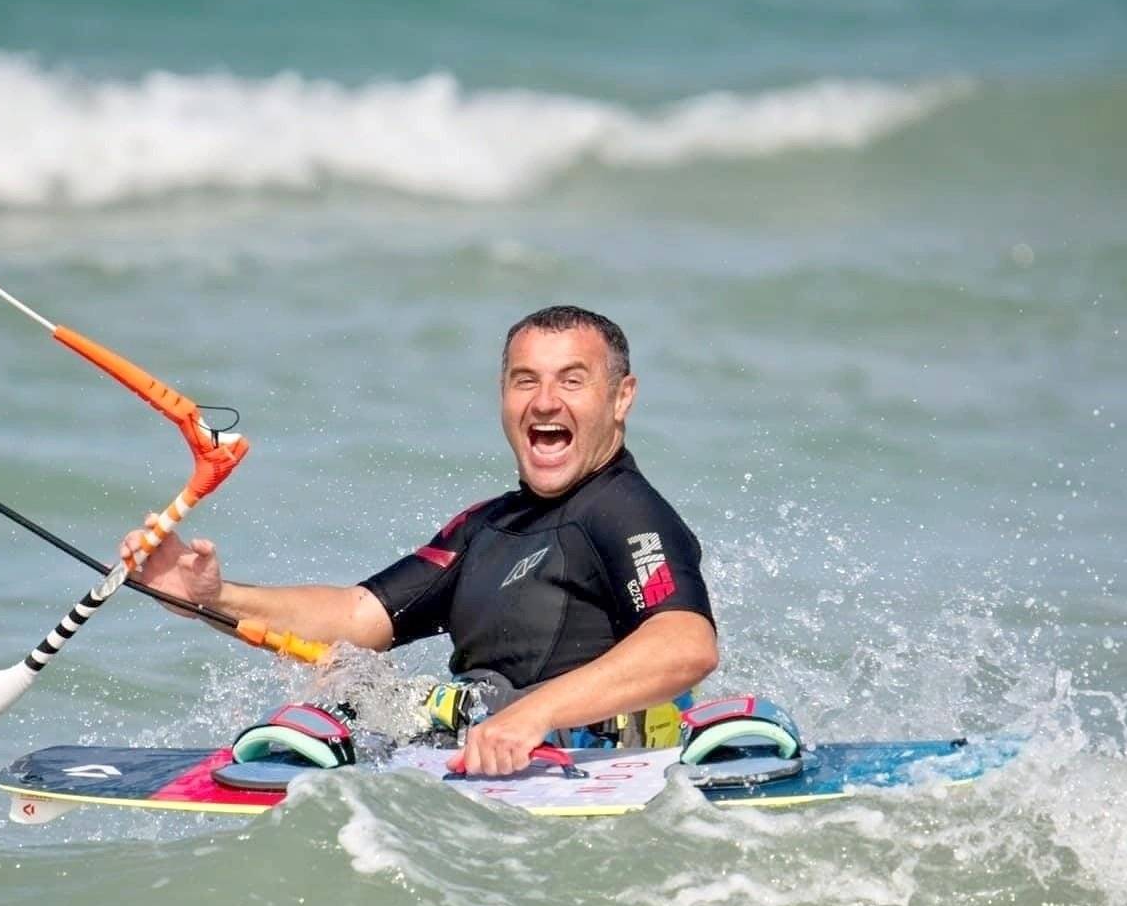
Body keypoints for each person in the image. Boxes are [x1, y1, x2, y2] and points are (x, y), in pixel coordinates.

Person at [122, 305, 719, 775]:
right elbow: (359, 617)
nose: (544, 401)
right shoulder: (487, 526)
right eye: (524, 380)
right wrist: (211, 595)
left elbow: (685, 644)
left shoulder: (623, 509)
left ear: (621, 397)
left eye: (572, 380)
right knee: (345, 687)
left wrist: (534, 715)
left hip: (591, 774)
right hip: (491, 772)